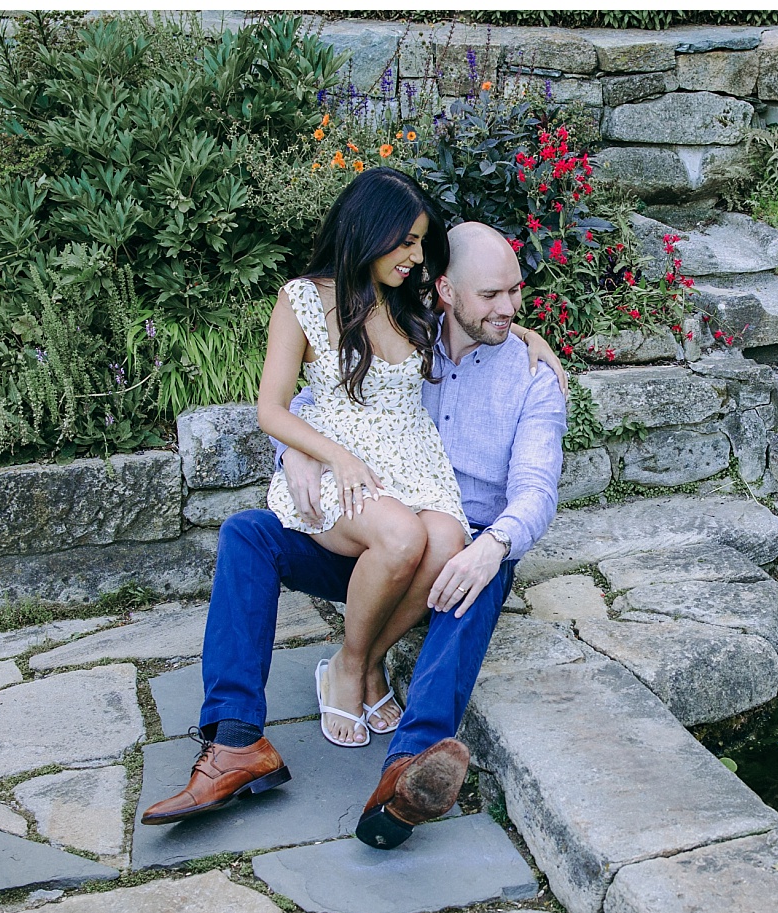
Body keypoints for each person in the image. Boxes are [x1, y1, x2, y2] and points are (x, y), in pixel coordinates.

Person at [142, 175, 566, 852]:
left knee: (483, 564)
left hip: (451, 559)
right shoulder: (404, 313)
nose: (509, 308)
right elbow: (320, 397)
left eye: (517, 294)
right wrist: (301, 457)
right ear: (446, 291)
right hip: (369, 534)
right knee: (248, 534)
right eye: (493, 294)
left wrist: (493, 548)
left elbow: (537, 491)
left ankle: (407, 768)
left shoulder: (528, 376)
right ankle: (233, 742)